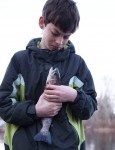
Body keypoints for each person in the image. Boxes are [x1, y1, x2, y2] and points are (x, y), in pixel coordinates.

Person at [0, 0, 97, 150]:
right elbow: (3, 106)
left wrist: (74, 96)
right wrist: (35, 110)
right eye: (55, 33)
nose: (60, 42)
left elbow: (90, 109)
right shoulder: (19, 61)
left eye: (66, 37)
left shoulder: (77, 64)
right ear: (42, 22)